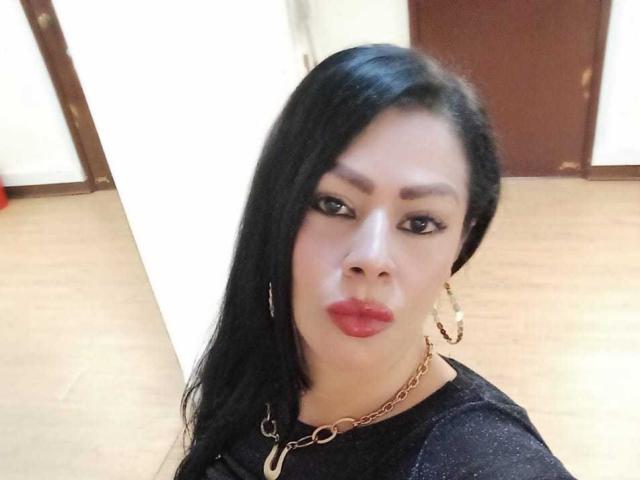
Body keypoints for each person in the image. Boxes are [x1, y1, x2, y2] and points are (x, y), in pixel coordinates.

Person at [174, 44, 577, 480]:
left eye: (420, 223)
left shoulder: (488, 463)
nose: (371, 258)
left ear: (461, 242)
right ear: (275, 207)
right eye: (333, 204)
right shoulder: (251, 361)